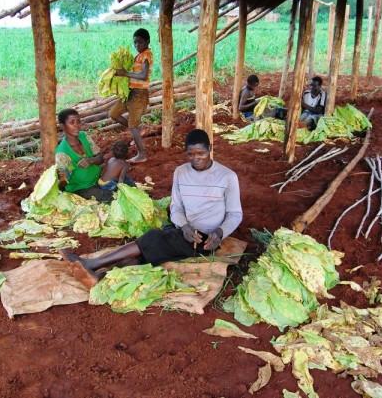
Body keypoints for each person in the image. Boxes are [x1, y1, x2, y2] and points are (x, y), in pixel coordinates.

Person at [61, 129, 243, 289]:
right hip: (182, 230)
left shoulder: (227, 177)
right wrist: (184, 226)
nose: (196, 159)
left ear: (210, 149)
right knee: (145, 256)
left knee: (153, 238)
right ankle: (99, 276)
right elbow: (177, 206)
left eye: (201, 154)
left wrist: (219, 232)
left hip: (205, 239)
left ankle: (93, 263)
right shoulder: (181, 172)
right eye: (190, 154)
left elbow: (235, 214)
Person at [108, 28, 153, 163]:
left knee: (133, 126)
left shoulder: (147, 55)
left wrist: (125, 73)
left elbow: (143, 75)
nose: (137, 45)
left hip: (139, 95)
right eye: (135, 43)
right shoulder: (138, 56)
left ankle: (141, 155)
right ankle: (137, 131)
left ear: (147, 41)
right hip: (130, 94)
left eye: (139, 42)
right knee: (113, 113)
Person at [55, 108, 113, 203]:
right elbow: (62, 185)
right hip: (81, 189)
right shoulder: (62, 153)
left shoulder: (84, 136)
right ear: (62, 126)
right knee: (111, 198)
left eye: (78, 121)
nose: (77, 125)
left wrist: (91, 160)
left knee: (119, 175)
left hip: (98, 178)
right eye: (72, 122)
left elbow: (101, 158)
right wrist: (63, 179)